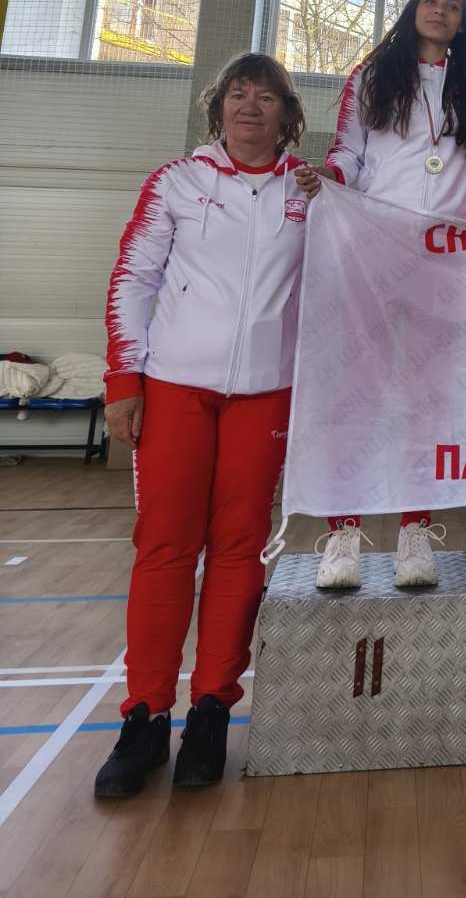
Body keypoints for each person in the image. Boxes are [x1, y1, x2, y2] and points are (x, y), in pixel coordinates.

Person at [96, 55, 310, 799]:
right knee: (164, 547)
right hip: (175, 389)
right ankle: (145, 717)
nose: (250, 106)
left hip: (266, 395)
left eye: (267, 97)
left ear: (288, 115)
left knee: (240, 549)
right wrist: (123, 381)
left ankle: (212, 711)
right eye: (237, 94)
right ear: (217, 108)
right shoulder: (175, 182)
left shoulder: (311, 192)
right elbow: (133, 279)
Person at [295, 0, 466, 593]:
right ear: (413, 11)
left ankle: (416, 533)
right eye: (431, 2)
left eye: (454, 7)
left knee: (427, 400)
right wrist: (330, 177)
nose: (441, 12)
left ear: (463, 23)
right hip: (373, 247)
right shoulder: (371, 76)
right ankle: (343, 537)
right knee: (356, 393)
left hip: (443, 257)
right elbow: (348, 152)